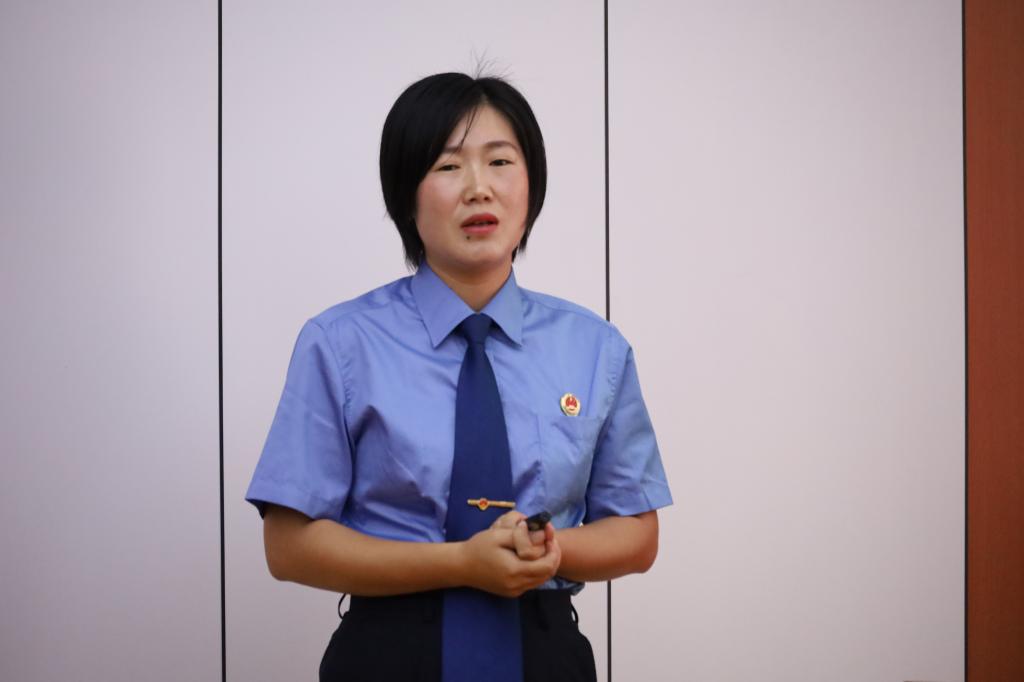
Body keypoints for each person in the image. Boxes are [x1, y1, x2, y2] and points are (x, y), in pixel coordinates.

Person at [245, 72, 672, 682]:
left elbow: (637, 532)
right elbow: (288, 546)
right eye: (448, 166)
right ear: (406, 195)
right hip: (389, 653)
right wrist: (462, 563)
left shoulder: (594, 348)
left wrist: (548, 550)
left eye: (500, 161)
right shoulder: (341, 343)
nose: (479, 188)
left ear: (531, 185)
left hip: (543, 654)